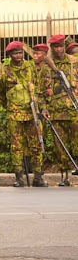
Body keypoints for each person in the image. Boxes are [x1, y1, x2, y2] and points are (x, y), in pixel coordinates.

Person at [0, 41, 48, 187]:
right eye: (15, 53)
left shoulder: (32, 67)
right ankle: (19, 177)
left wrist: (42, 107)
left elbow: (40, 89)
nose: (18, 56)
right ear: (10, 55)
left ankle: (38, 176)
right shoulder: (3, 71)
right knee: (16, 146)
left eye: (20, 53)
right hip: (14, 114)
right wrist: (9, 107)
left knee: (37, 144)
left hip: (32, 113)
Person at [45, 34, 78, 186]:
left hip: (74, 111)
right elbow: (40, 90)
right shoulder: (47, 67)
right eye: (55, 47)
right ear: (51, 48)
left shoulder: (74, 63)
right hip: (56, 112)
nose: (58, 50)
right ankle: (64, 176)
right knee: (60, 146)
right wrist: (44, 108)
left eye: (60, 46)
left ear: (65, 46)